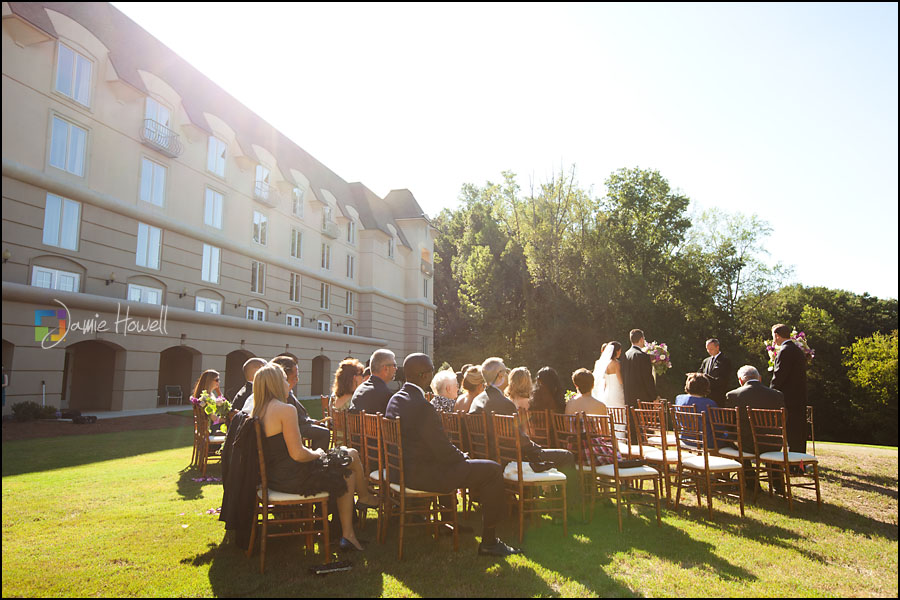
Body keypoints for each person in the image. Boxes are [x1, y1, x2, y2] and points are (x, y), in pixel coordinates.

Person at [384, 353, 521, 557]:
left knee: (472, 466)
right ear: (423, 375)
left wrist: (458, 457)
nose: (433, 373)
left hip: (404, 470)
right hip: (424, 475)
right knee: (492, 470)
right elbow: (442, 449)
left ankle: (447, 522)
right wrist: (463, 458)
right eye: (431, 370)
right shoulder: (422, 406)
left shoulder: (396, 399)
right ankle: (490, 541)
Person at [251, 363, 377, 552]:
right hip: (293, 477)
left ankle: (348, 535)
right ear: (276, 383)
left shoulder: (258, 410)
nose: (288, 384)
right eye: (285, 380)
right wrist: (319, 454)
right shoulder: (285, 410)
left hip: (275, 476)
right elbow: (299, 454)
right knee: (350, 455)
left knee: (348, 468)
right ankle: (364, 500)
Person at [469, 357, 574, 470]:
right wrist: (538, 449)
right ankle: (572, 488)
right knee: (567, 456)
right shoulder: (504, 403)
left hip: (488, 456)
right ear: (500, 375)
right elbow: (520, 440)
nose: (508, 376)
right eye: (506, 372)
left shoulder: (477, 401)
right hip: (512, 459)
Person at [723, 365, 785, 492]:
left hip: (748, 445)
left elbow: (729, 423)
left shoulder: (733, 395)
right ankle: (777, 485)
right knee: (763, 439)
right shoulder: (777, 395)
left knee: (734, 441)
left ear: (741, 380)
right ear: (760, 378)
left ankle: (751, 482)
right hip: (774, 443)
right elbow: (784, 420)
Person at [271, 356, 331, 451]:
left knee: (322, 428)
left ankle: (316, 458)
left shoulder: (287, 392)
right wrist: (310, 422)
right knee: (323, 432)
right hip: (290, 428)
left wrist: (311, 421)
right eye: (294, 377)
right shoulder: (281, 395)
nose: (297, 380)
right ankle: (317, 461)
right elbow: (293, 418)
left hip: (298, 424)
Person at [770, 324, 809, 454]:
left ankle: (792, 463)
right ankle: (799, 462)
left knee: (791, 431)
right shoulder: (798, 350)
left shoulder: (785, 351)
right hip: (799, 396)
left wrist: (770, 392)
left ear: (777, 335)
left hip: (788, 398)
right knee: (798, 431)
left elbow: (780, 376)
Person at [348, 349, 397, 414]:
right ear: (386, 369)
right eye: (394, 365)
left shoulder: (359, 389)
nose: (396, 368)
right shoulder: (386, 395)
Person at [674, 373, 718, 442]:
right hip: (705, 441)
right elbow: (717, 426)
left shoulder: (679, 398)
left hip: (685, 438)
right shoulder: (709, 403)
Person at [623, 329, 657, 408]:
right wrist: (654, 397)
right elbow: (647, 378)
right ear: (641, 339)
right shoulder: (642, 356)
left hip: (629, 398)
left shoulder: (626, 354)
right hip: (642, 399)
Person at [699, 338, 734, 404]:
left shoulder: (725, 361)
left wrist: (706, 377)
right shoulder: (706, 361)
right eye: (707, 349)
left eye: (711, 349)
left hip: (718, 397)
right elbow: (700, 373)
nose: (709, 351)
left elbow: (723, 380)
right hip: (705, 396)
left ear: (717, 347)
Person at [591, 341, 625, 408]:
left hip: (607, 393)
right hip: (617, 393)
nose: (620, 353)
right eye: (619, 351)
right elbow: (620, 381)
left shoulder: (603, 363)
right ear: (616, 351)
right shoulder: (616, 364)